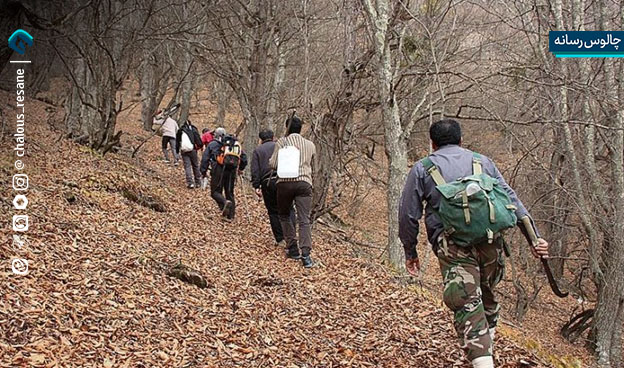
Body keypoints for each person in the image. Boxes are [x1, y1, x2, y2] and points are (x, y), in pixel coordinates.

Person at [398, 119, 549, 368]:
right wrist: (534, 238)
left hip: (452, 245)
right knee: (486, 294)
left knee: (467, 300)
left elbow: (408, 215)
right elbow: (512, 201)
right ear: (461, 140)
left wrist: (410, 251)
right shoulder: (482, 162)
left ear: (432, 144)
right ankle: (485, 350)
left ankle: (482, 360)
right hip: (491, 242)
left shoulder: (423, 168)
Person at [269, 116, 317, 268]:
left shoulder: (282, 142)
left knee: (283, 215)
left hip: (284, 183)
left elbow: (273, 163)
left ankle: (292, 247)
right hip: (304, 183)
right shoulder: (310, 145)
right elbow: (312, 162)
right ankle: (306, 255)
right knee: (304, 219)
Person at [251, 129, 297, 247]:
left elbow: (255, 170)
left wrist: (256, 185)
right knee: (289, 208)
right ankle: (292, 235)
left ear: (261, 139)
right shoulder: (281, 146)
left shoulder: (258, 150)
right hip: (285, 178)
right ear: (273, 137)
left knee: (273, 211)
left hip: (268, 182)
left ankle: (280, 238)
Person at [201, 128, 248, 220]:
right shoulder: (234, 144)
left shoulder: (213, 144)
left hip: (218, 169)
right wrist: (241, 169)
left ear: (216, 135)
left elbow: (205, 159)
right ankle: (230, 216)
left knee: (215, 192)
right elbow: (244, 158)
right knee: (229, 192)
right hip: (232, 171)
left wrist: (203, 171)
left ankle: (224, 203)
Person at [176, 119, 203, 189]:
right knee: (195, 166)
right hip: (193, 150)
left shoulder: (180, 131)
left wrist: (177, 151)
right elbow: (199, 140)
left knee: (187, 166)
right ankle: (198, 182)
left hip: (184, 151)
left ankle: (190, 183)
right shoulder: (193, 130)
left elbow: (177, 141)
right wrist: (199, 146)